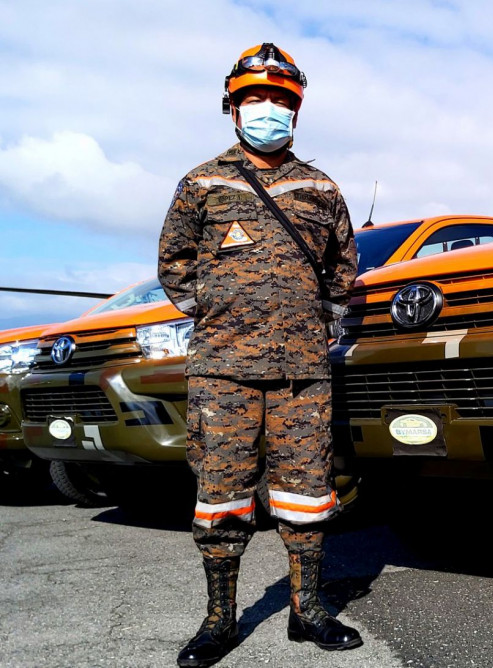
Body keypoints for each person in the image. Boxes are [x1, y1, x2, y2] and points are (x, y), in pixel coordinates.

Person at [158, 42, 361, 667]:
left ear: (295, 111)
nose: (267, 108)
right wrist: (219, 315)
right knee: (221, 494)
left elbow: (342, 270)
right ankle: (219, 622)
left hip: (302, 370)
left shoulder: (320, 187)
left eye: (279, 99)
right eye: (255, 98)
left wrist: (314, 322)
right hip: (223, 369)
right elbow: (174, 265)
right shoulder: (202, 182)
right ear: (233, 106)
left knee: (307, 491)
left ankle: (309, 612)